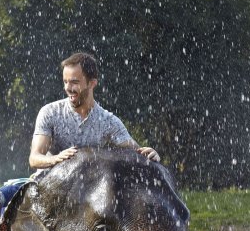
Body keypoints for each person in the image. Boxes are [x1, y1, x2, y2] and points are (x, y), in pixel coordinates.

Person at [29, 52, 160, 170]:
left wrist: (151, 155)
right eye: (65, 82)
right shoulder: (50, 112)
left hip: (86, 190)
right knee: (8, 193)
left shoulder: (108, 121)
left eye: (74, 82)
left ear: (92, 83)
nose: (68, 88)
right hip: (46, 185)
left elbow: (137, 153)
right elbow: (34, 158)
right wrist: (55, 159)